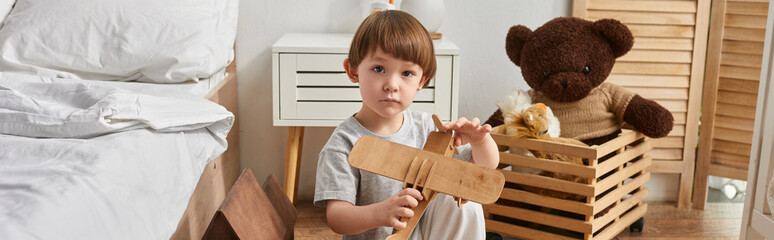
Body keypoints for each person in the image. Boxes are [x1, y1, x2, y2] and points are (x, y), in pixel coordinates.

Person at [313, 10, 499, 240]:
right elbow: (337, 218)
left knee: (463, 203)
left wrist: (481, 142)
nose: (392, 85)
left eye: (407, 73)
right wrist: (380, 213)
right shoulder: (344, 143)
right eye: (378, 69)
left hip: (422, 234)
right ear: (353, 71)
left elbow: (483, 170)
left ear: (421, 81)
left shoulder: (428, 129)